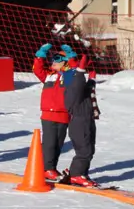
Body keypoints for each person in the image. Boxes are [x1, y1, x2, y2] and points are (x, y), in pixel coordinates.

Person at [60, 50, 97, 186]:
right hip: (79, 123)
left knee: (90, 149)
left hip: (87, 120)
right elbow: (77, 85)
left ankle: (82, 173)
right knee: (84, 150)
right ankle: (76, 175)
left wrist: (92, 78)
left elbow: (85, 88)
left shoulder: (80, 89)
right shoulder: (71, 90)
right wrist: (80, 70)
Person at [33, 43, 69, 181]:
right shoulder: (48, 75)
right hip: (48, 114)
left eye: (58, 59)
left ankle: (51, 168)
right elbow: (37, 69)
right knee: (49, 142)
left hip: (64, 115)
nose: (54, 61)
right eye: (54, 58)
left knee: (58, 144)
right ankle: (46, 168)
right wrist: (40, 55)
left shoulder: (70, 77)